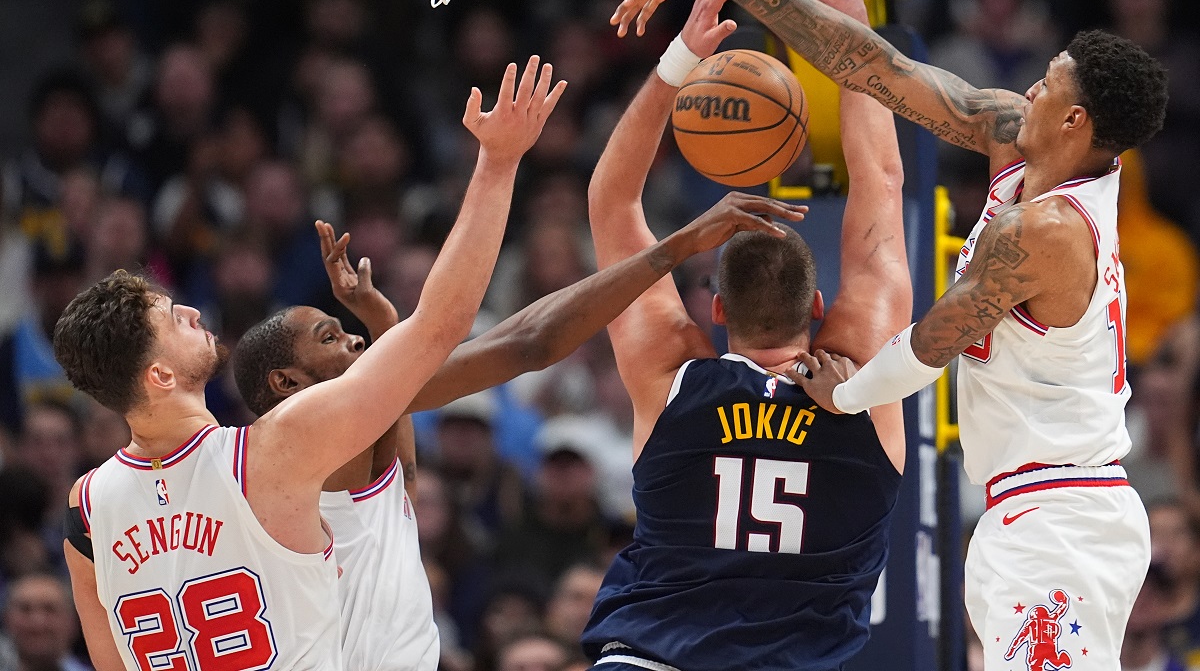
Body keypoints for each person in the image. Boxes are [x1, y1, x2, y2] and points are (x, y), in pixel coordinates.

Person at [609, 0, 1168, 671]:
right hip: (1031, 507)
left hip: (1061, 515)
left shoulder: (1049, 232)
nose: (1030, 89)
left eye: (1048, 85)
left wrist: (842, 395)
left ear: (1075, 124)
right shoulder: (1014, 137)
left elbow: (934, 341)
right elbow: (879, 68)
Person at [52, 57, 566, 670]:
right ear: (159, 375)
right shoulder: (274, 449)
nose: (190, 310)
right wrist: (499, 163)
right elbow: (440, 325)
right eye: (171, 318)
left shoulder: (86, 505)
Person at [233, 193, 804, 671]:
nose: (354, 342)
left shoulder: (343, 450)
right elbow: (527, 341)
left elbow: (400, 471)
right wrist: (674, 248)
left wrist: (383, 322)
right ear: (285, 382)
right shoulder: (302, 448)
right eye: (330, 339)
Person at [583, 0, 911, 671]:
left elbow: (611, 200)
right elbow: (882, 185)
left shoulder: (669, 374)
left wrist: (680, 59)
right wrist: (845, 14)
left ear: (716, 308)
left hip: (647, 657)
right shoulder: (862, 372)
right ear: (819, 309)